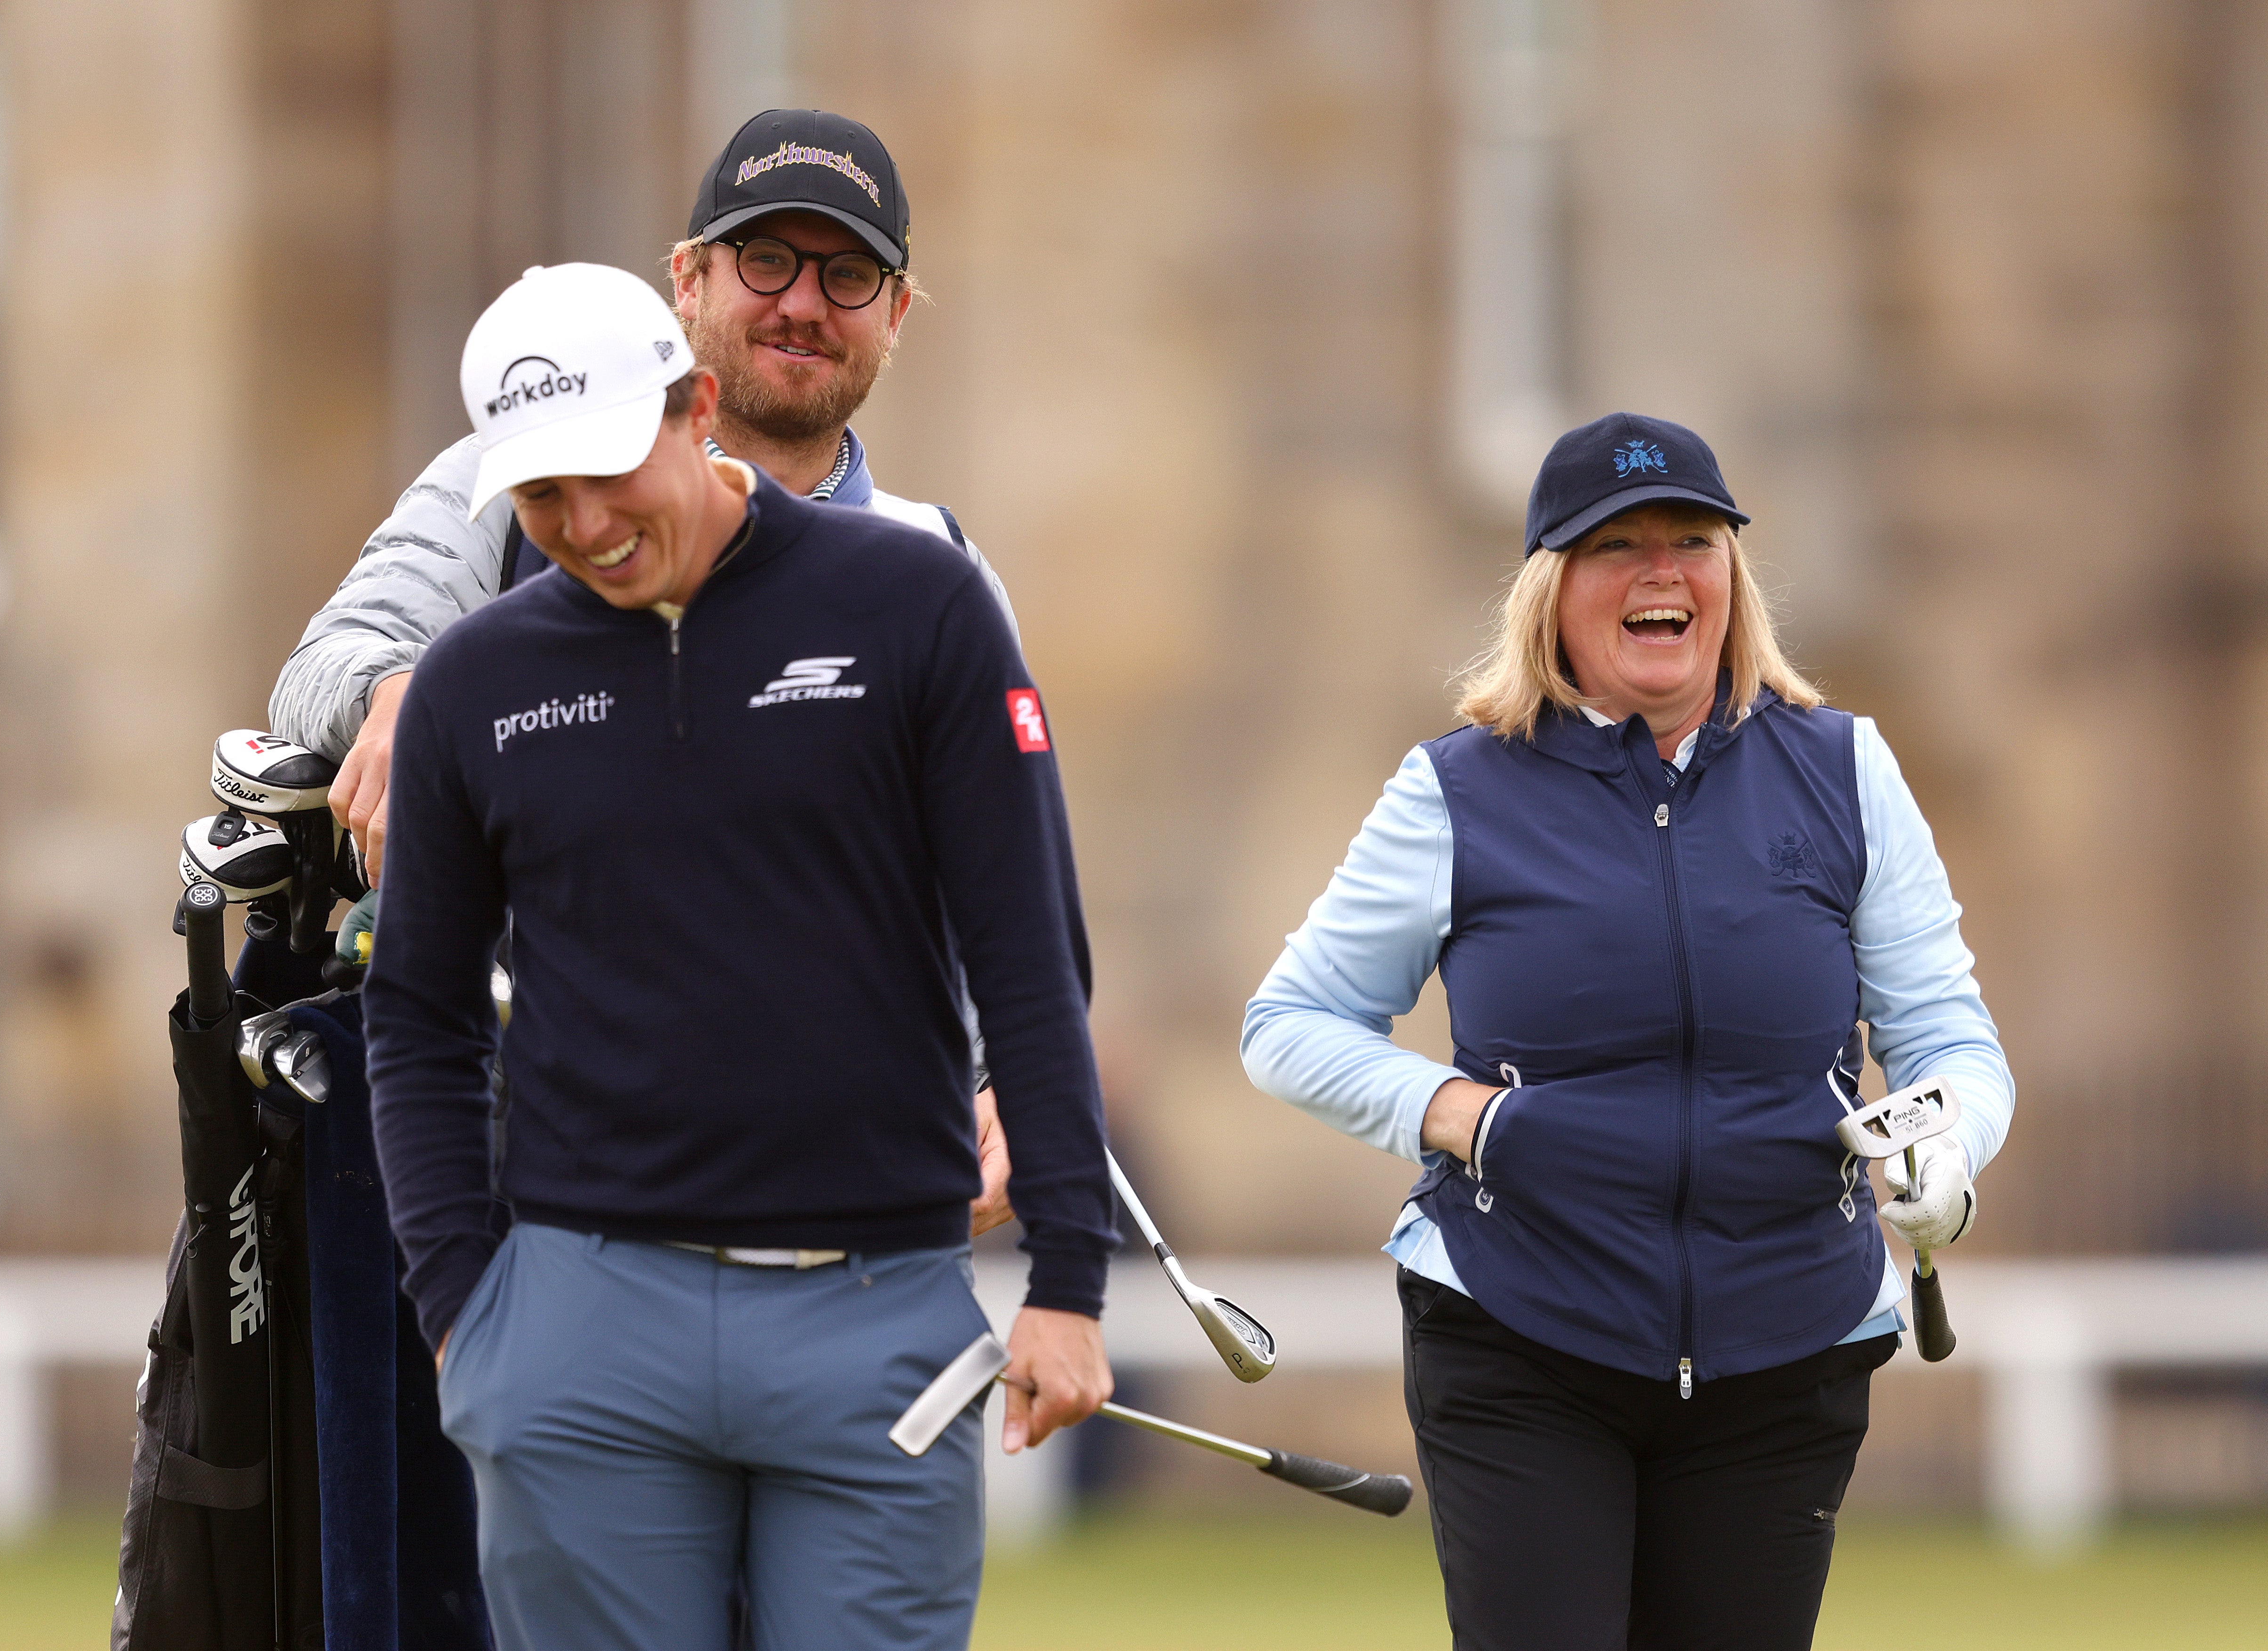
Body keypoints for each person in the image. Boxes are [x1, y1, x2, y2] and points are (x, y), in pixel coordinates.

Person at [367, 261, 1117, 1651]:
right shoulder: (476, 679)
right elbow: (417, 1017)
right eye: (541, 500)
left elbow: (1026, 955)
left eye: (607, 473)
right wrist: (465, 1310)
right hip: (577, 1325)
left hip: (874, 1313)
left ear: (694, 408)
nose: (585, 528)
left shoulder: (919, 607)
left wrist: (1068, 1278)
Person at [1242, 412, 2013, 1650]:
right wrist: (1469, 1121)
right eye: (1618, 546)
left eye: (1691, 541)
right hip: (1520, 1339)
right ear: (1552, 589)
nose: (1661, 571)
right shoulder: (1456, 790)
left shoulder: (1845, 770)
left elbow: (1948, 1037)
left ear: (1728, 577)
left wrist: (1950, 1155)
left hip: (1788, 1350)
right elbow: (1289, 1023)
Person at [271, 107, 1023, 1234]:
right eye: (765, 258)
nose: (804, 303)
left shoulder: (940, 571)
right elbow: (326, 662)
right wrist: (400, 692)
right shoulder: (519, 474)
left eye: (850, 274)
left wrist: (1003, 1086)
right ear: (688, 280)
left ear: (897, 312)